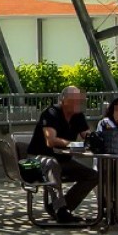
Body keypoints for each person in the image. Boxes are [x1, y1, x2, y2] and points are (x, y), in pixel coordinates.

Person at [28, 86, 98, 224]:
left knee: (93, 175)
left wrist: (98, 139)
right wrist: (71, 144)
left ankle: (63, 207)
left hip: (63, 160)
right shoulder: (51, 113)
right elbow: (50, 141)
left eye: (80, 100)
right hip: (36, 160)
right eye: (74, 100)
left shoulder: (78, 116)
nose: (78, 103)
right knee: (52, 164)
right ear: (64, 100)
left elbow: (87, 136)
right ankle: (60, 210)